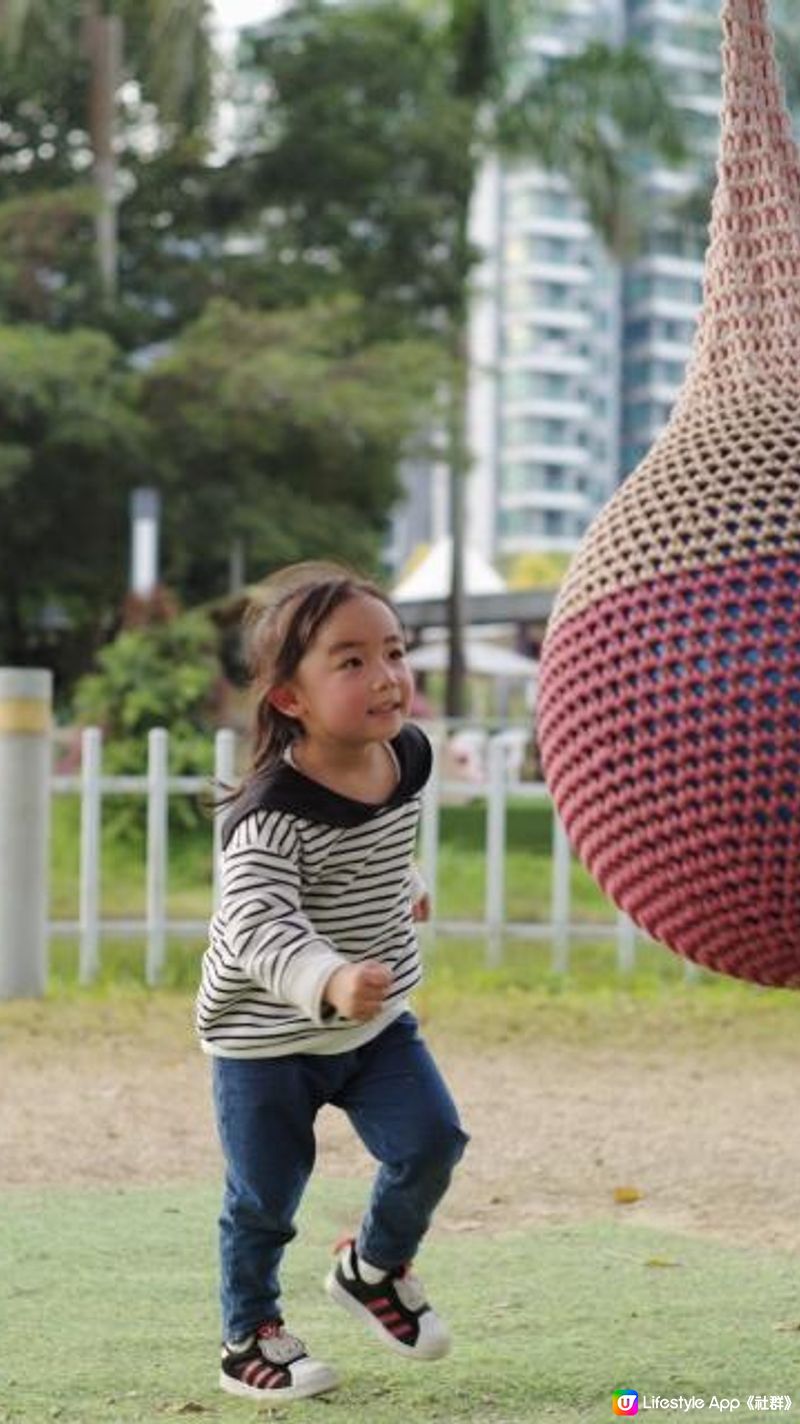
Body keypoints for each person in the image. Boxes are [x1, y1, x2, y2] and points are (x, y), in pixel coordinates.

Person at [196, 562, 469, 1403]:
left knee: (432, 1140)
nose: (385, 677)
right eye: (349, 662)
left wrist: (405, 883)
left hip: (373, 1026)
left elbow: (377, 843)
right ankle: (250, 1335)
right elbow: (257, 928)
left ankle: (374, 1267)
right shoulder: (270, 815)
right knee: (266, 1198)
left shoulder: (405, 755)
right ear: (289, 699)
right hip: (265, 1039)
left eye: (392, 651)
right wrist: (327, 974)